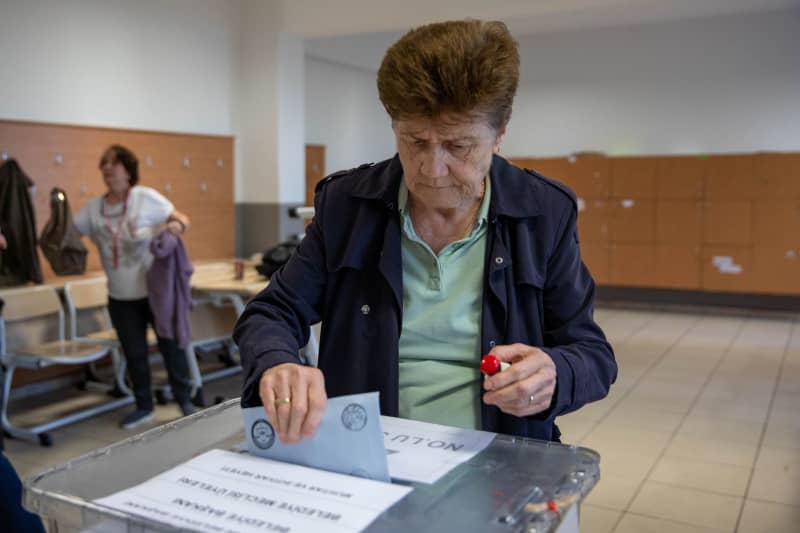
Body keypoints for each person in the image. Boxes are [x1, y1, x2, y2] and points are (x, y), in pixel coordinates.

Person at [234, 19, 616, 444]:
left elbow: (593, 356)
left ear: (500, 134)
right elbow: (272, 311)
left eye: (458, 146)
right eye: (415, 142)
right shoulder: (348, 205)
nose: (431, 171)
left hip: (500, 454)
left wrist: (555, 373)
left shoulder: (543, 212)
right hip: (368, 450)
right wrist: (277, 363)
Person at [74, 145, 195, 429]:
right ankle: (144, 406)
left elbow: (182, 218)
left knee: (171, 346)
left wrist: (174, 228)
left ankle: (185, 400)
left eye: (113, 164)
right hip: (120, 296)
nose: (107, 169)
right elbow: (69, 234)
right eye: (104, 164)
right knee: (135, 354)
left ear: (128, 170)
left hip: (155, 293)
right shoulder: (94, 208)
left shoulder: (145, 198)